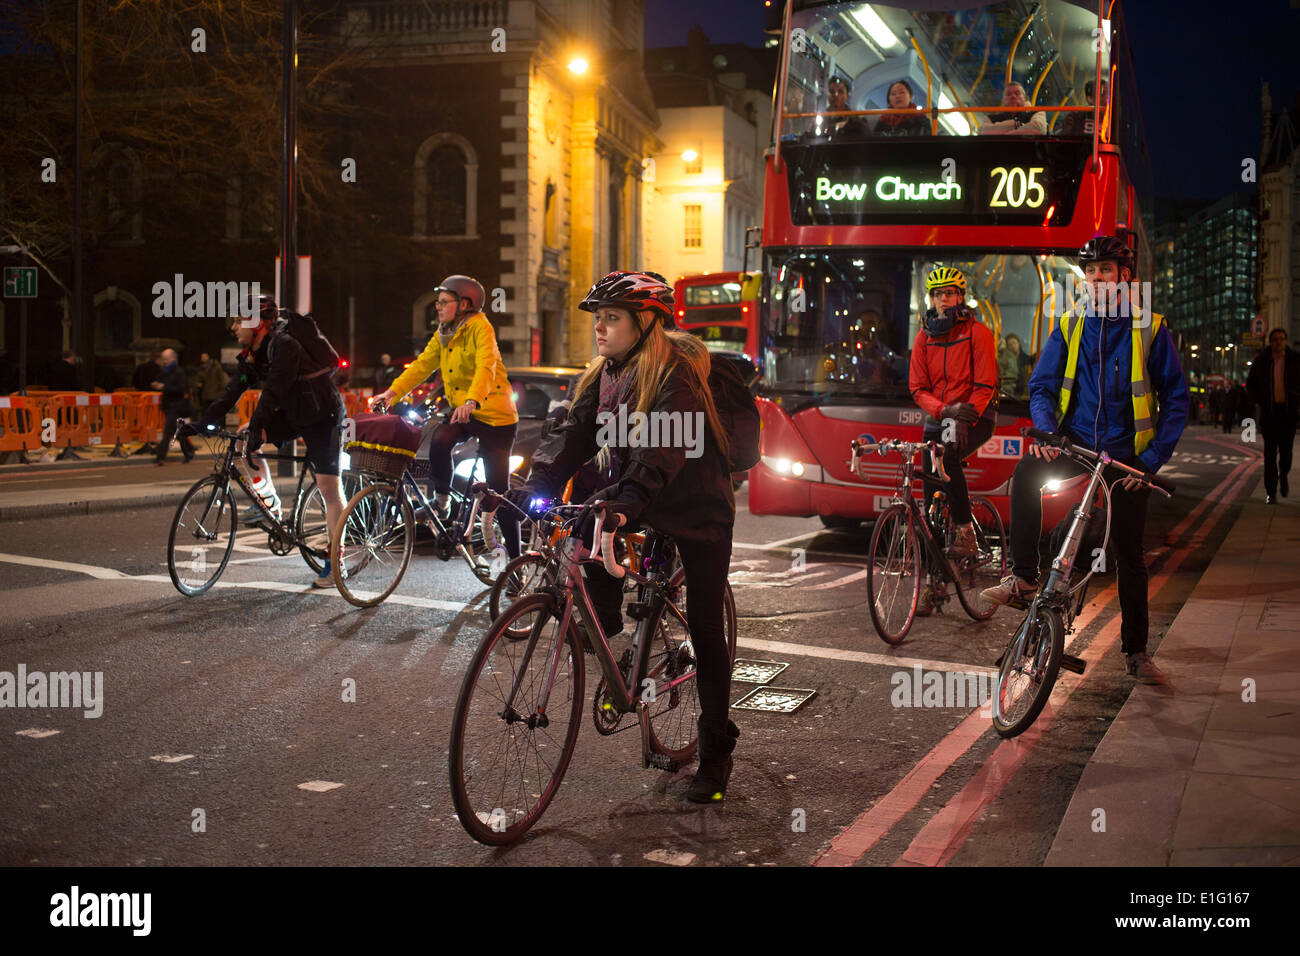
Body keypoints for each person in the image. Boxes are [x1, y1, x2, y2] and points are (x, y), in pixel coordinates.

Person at [507, 271, 740, 803]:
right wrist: (533, 483)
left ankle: (716, 755)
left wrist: (625, 503)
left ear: (647, 323)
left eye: (612, 318)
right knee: (589, 521)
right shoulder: (606, 375)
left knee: (705, 627)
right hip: (642, 497)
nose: (600, 329)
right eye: (598, 319)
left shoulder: (675, 378)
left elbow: (660, 454)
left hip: (698, 508)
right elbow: (573, 438)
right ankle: (613, 641)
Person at [981, 236, 1190, 684]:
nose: (1097, 280)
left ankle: (1137, 654)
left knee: (1128, 553)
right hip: (1075, 445)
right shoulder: (1072, 322)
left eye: (1106, 272)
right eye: (1090, 273)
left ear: (1125, 277)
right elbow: (1042, 385)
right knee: (1025, 474)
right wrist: (1048, 432)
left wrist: (1151, 460)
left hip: (1127, 460)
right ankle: (1023, 576)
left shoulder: (1149, 327)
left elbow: (1176, 398)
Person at [186, 294, 347, 588]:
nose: (233, 327)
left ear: (258, 322)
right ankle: (270, 502)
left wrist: (258, 426)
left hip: (322, 415)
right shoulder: (253, 352)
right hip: (293, 413)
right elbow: (233, 390)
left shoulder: (286, 345)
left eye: (238, 321)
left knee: (328, 488)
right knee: (243, 438)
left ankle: (335, 562)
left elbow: (272, 392)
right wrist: (202, 424)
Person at [373, 275, 521, 558]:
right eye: (437, 302)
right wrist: (391, 393)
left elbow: (485, 366)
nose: (437, 307)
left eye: (443, 302)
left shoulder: (481, 327)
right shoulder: (445, 332)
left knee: (499, 493)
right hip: (465, 411)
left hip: (495, 416)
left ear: (464, 303)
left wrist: (472, 399)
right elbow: (421, 366)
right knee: (440, 440)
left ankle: (516, 562)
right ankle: (442, 503)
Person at [908, 266, 1000, 615]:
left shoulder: (978, 333)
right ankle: (935, 587)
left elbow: (985, 384)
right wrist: (945, 410)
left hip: (976, 416)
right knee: (929, 497)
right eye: (938, 294)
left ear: (960, 297)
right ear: (931, 299)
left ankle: (965, 531)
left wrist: (965, 414)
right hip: (942, 415)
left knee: (946, 460)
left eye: (950, 293)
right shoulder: (924, 337)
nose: (944, 299)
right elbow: (917, 388)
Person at [1246, 327, 1299, 503]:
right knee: (1269, 455)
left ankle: (1283, 475)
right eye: (1275, 339)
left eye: (1282, 339)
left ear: (1286, 341)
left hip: (1288, 413)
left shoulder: (1295, 360)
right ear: (1271, 342)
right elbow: (1251, 384)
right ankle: (1271, 491)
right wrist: (1258, 400)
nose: (1279, 342)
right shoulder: (1261, 361)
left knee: (1286, 453)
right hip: (1269, 414)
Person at [152, 348, 196, 465]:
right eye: (163, 359)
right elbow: (159, 382)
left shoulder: (179, 372)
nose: (164, 361)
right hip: (168, 406)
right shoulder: (164, 372)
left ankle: (160, 457)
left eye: (166, 359)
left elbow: (181, 389)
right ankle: (189, 452)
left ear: (173, 358)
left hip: (178, 406)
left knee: (167, 432)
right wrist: (156, 385)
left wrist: (164, 387)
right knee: (179, 431)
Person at [978, 82, 1046, 135]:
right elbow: (983, 131)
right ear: (1003, 101)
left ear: (1024, 99)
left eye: (1017, 93)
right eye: (1008, 94)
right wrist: (1016, 125)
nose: (1013, 96)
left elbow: (1038, 128)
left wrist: (1004, 135)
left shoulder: (1037, 113)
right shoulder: (990, 118)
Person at [818, 76, 870, 140]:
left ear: (847, 96)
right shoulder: (820, 119)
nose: (835, 95)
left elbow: (865, 136)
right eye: (832, 91)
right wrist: (836, 127)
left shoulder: (856, 120)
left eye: (840, 92)